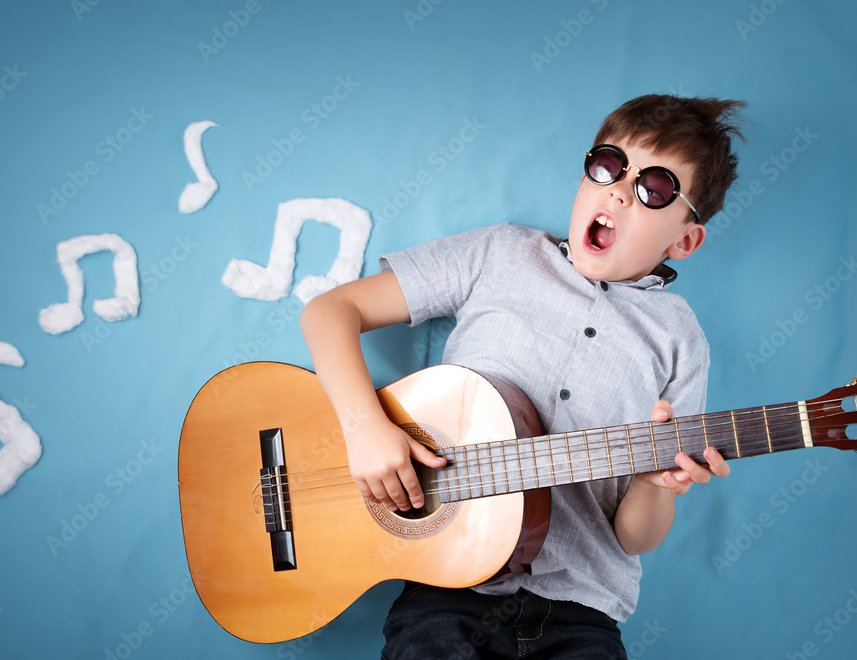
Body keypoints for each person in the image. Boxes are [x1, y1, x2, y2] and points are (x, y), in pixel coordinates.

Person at [299, 94, 745, 659]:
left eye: (652, 189)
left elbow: (637, 536)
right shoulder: (501, 252)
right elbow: (328, 312)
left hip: (582, 614)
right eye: (608, 165)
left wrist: (657, 484)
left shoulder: (681, 339)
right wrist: (364, 429)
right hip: (448, 591)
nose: (616, 190)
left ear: (684, 238)